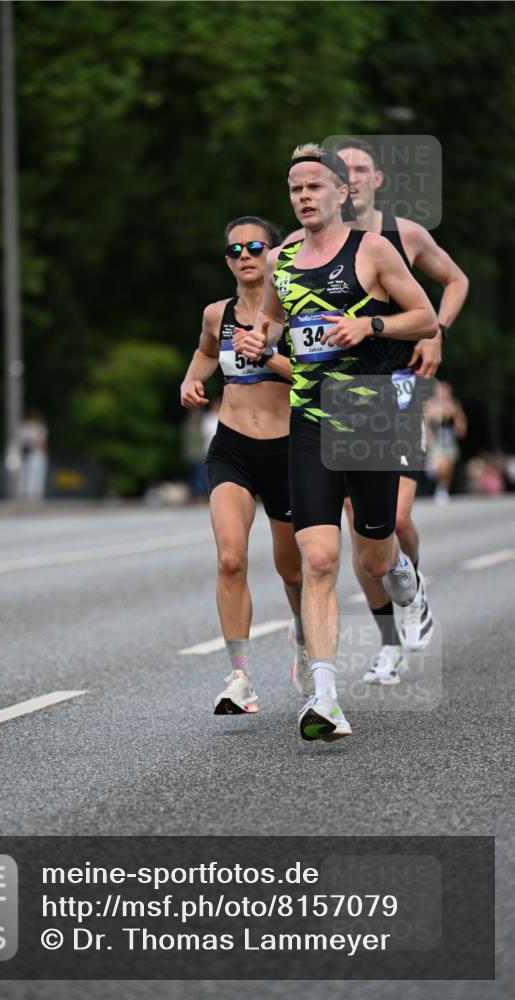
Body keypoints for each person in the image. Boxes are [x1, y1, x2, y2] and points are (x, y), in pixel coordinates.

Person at [235, 145, 437, 741]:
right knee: (319, 558)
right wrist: (260, 340)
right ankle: (325, 699)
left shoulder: (372, 250)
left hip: (369, 413)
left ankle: (400, 568)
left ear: (341, 193)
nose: (304, 196)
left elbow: (424, 318)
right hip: (310, 419)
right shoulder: (281, 259)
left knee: (373, 556)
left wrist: (370, 324)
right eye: (295, 188)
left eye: (315, 186)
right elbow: (273, 319)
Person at [331, 139, 469, 678]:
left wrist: (438, 332)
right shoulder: (312, 245)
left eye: (360, 168)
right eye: (341, 169)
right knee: (363, 534)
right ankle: (388, 641)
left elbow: (455, 280)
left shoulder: (404, 234)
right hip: (340, 397)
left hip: (401, 389)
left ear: (377, 179)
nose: (351, 176)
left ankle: (413, 588)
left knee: (396, 518)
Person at [180, 215, 308, 715]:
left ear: (274, 255)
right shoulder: (218, 313)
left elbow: (316, 377)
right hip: (232, 447)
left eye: (256, 247)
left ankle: (304, 634)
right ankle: (240, 677)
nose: (246, 256)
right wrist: (191, 380)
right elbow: (205, 352)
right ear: (227, 261)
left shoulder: (296, 313)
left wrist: (269, 355)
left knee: (292, 571)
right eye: (235, 250)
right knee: (230, 558)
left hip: (288, 449)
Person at [424, 381, 467, 504]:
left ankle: (442, 489)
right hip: (435, 442)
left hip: (449, 442)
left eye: (446, 391)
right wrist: (428, 438)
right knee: (441, 465)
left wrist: (456, 414)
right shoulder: (429, 405)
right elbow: (424, 425)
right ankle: (434, 472)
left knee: (448, 465)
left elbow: (461, 428)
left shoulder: (454, 406)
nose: (444, 394)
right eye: (441, 391)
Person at [18, 409, 49, 501]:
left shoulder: (40, 428)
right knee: (28, 474)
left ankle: (37, 494)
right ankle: (28, 494)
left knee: (39, 474)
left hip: (39, 454)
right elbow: (23, 442)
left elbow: (43, 442)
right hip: (28, 455)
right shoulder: (25, 428)